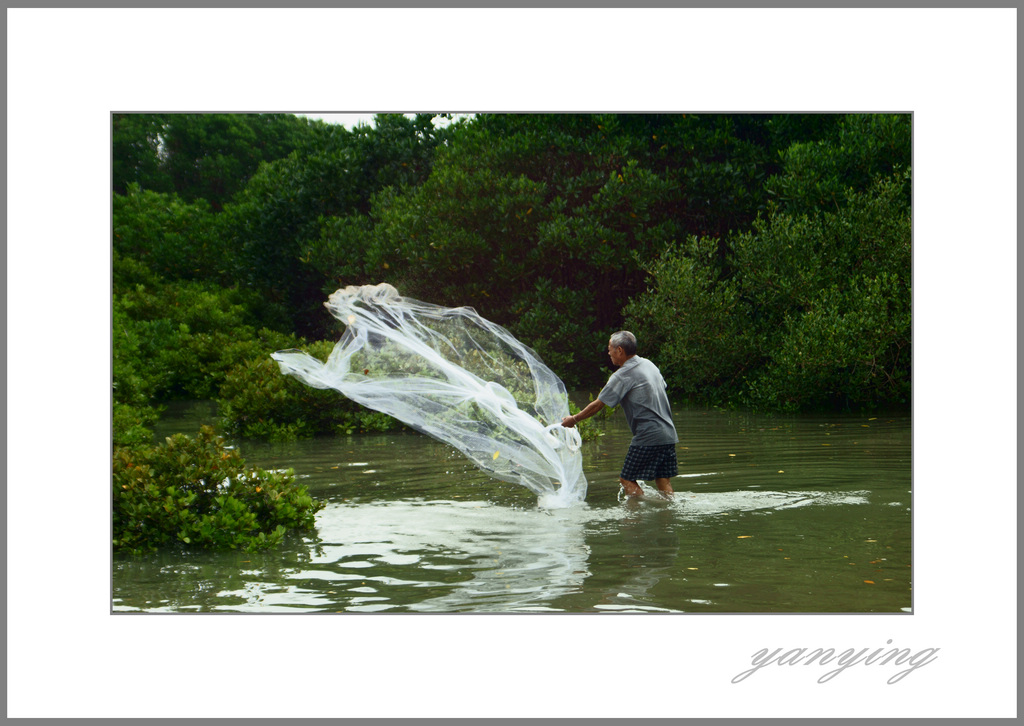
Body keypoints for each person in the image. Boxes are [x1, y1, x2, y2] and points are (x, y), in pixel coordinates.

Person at [562, 331, 678, 498]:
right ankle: (668, 516)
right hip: (668, 433)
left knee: (627, 479)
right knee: (662, 480)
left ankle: (635, 519)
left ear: (620, 350)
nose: (608, 353)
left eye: (610, 349)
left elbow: (598, 405)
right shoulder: (649, 364)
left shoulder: (622, 376)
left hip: (648, 435)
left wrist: (573, 419)